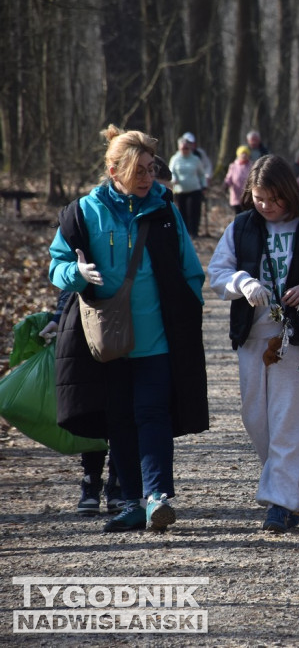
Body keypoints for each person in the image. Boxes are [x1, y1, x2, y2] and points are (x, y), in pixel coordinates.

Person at [48, 124, 208, 533]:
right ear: (113, 170)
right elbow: (57, 266)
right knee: (119, 418)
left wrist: (188, 309)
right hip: (107, 341)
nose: (147, 177)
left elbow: (191, 269)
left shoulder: (165, 210)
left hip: (157, 338)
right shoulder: (84, 211)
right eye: (139, 170)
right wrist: (77, 274)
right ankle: (132, 502)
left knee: (152, 413)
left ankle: (157, 499)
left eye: (151, 169)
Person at [207, 155, 299, 532]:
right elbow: (217, 272)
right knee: (255, 418)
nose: (267, 206)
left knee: (287, 418)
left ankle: (281, 503)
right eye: (259, 198)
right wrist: (243, 283)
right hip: (253, 335)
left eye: (274, 199)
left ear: (289, 192)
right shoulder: (242, 226)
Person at [40, 291, 125, 516]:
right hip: (84, 322)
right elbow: (70, 279)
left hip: (126, 319)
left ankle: (118, 480)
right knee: (90, 405)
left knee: (121, 407)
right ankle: (91, 479)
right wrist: (59, 317)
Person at [168, 135, 206, 238]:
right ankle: (184, 233)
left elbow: (202, 174)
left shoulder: (195, 159)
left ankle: (194, 232)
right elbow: (171, 172)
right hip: (180, 190)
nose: (185, 150)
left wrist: (204, 186)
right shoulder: (175, 159)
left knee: (193, 212)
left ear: (190, 148)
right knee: (182, 212)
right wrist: (174, 179)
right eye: (183, 148)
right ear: (179, 148)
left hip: (194, 189)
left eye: (187, 148)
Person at [225, 145, 253, 214]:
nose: (244, 155)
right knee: (238, 215)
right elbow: (229, 178)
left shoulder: (251, 165)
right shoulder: (233, 166)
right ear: (238, 155)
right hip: (236, 196)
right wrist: (226, 184)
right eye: (242, 154)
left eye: (245, 154)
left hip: (248, 196)